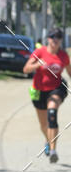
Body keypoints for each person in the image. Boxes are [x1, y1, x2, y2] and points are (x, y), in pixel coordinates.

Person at [23, 27, 70, 163]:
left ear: (61, 40)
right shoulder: (40, 52)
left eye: (58, 38)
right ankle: (48, 141)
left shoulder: (63, 55)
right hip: (38, 90)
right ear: (48, 39)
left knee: (52, 114)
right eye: (52, 37)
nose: (55, 40)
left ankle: (54, 151)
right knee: (44, 125)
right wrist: (37, 64)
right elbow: (26, 69)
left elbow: (69, 71)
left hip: (56, 88)